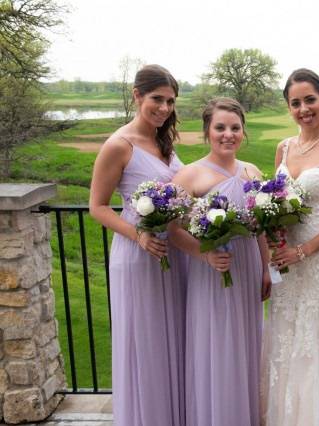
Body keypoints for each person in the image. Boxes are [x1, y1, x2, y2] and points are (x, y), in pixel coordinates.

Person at [89, 64, 185, 425]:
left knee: (171, 340)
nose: (163, 108)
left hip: (172, 254)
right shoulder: (119, 145)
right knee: (145, 345)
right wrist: (140, 235)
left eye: (170, 101)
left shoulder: (165, 141)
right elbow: (97, 207)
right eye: (157, 99)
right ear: (137, 96)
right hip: (137, 254)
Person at [260, 68, 319, 426]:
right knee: (286, 338)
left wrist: (302, 252)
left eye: (310, 100)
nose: (304, 108)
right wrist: (274, 243)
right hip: (284, 261)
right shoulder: (283, 147)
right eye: (295, 103)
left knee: (316, 342)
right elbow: (273, 202)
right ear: (289, 107)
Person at [169, 97, 270, 426]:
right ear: (207, 131)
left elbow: (261, 227)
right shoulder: (189, 175)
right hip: (212, 272)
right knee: (218, 345)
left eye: (235, 128)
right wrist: (205, 253)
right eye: (220, 127)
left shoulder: (252, 171)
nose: (228, 134)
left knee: (245, 343)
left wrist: (266, 268)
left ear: (243, 132)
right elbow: (171, 229)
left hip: (247, 268)